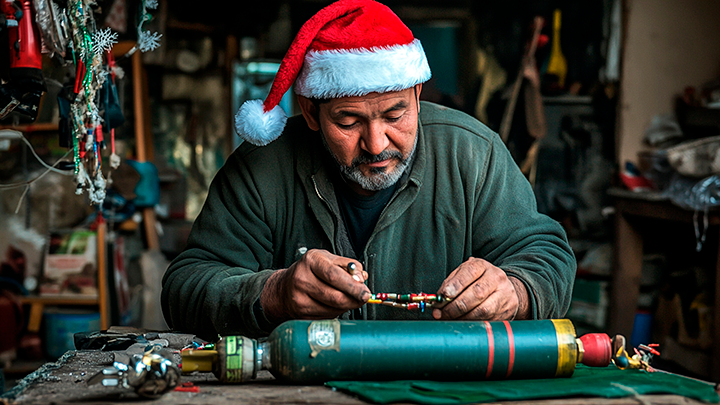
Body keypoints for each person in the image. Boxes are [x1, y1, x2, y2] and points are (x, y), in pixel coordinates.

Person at [161, 0, 576, 340]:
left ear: (417, 94)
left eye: (395, 114)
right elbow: (185, 287)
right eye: (348, 122)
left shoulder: (473, 154)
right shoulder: (261, 169)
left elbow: (548, 257)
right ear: (310, 111)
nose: (376, 144)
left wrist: (516, 291)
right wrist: (273, 293)